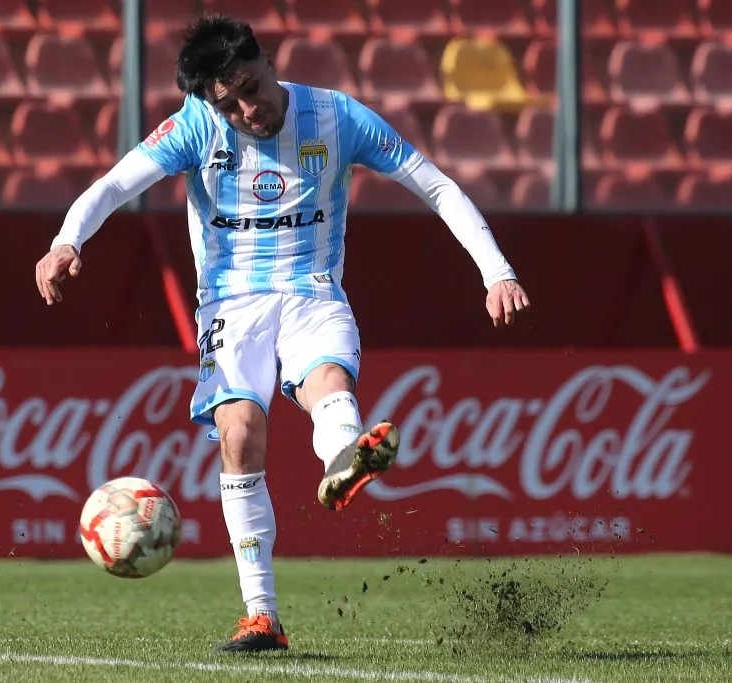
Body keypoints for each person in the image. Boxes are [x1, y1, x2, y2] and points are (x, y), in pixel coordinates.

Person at [35, 14, 531, 653]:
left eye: (251, 87)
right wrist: (66, 241)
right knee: (239, 432)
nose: (247, 109)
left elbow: (432, 184)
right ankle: (261, 615)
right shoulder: (194, 124)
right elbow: (113, 186)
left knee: (326, 377)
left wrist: (496, 271)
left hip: (312, 289)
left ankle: (346, 457)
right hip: (231, 304)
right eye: (229, 103)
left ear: (268, 61)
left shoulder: (336, 116)